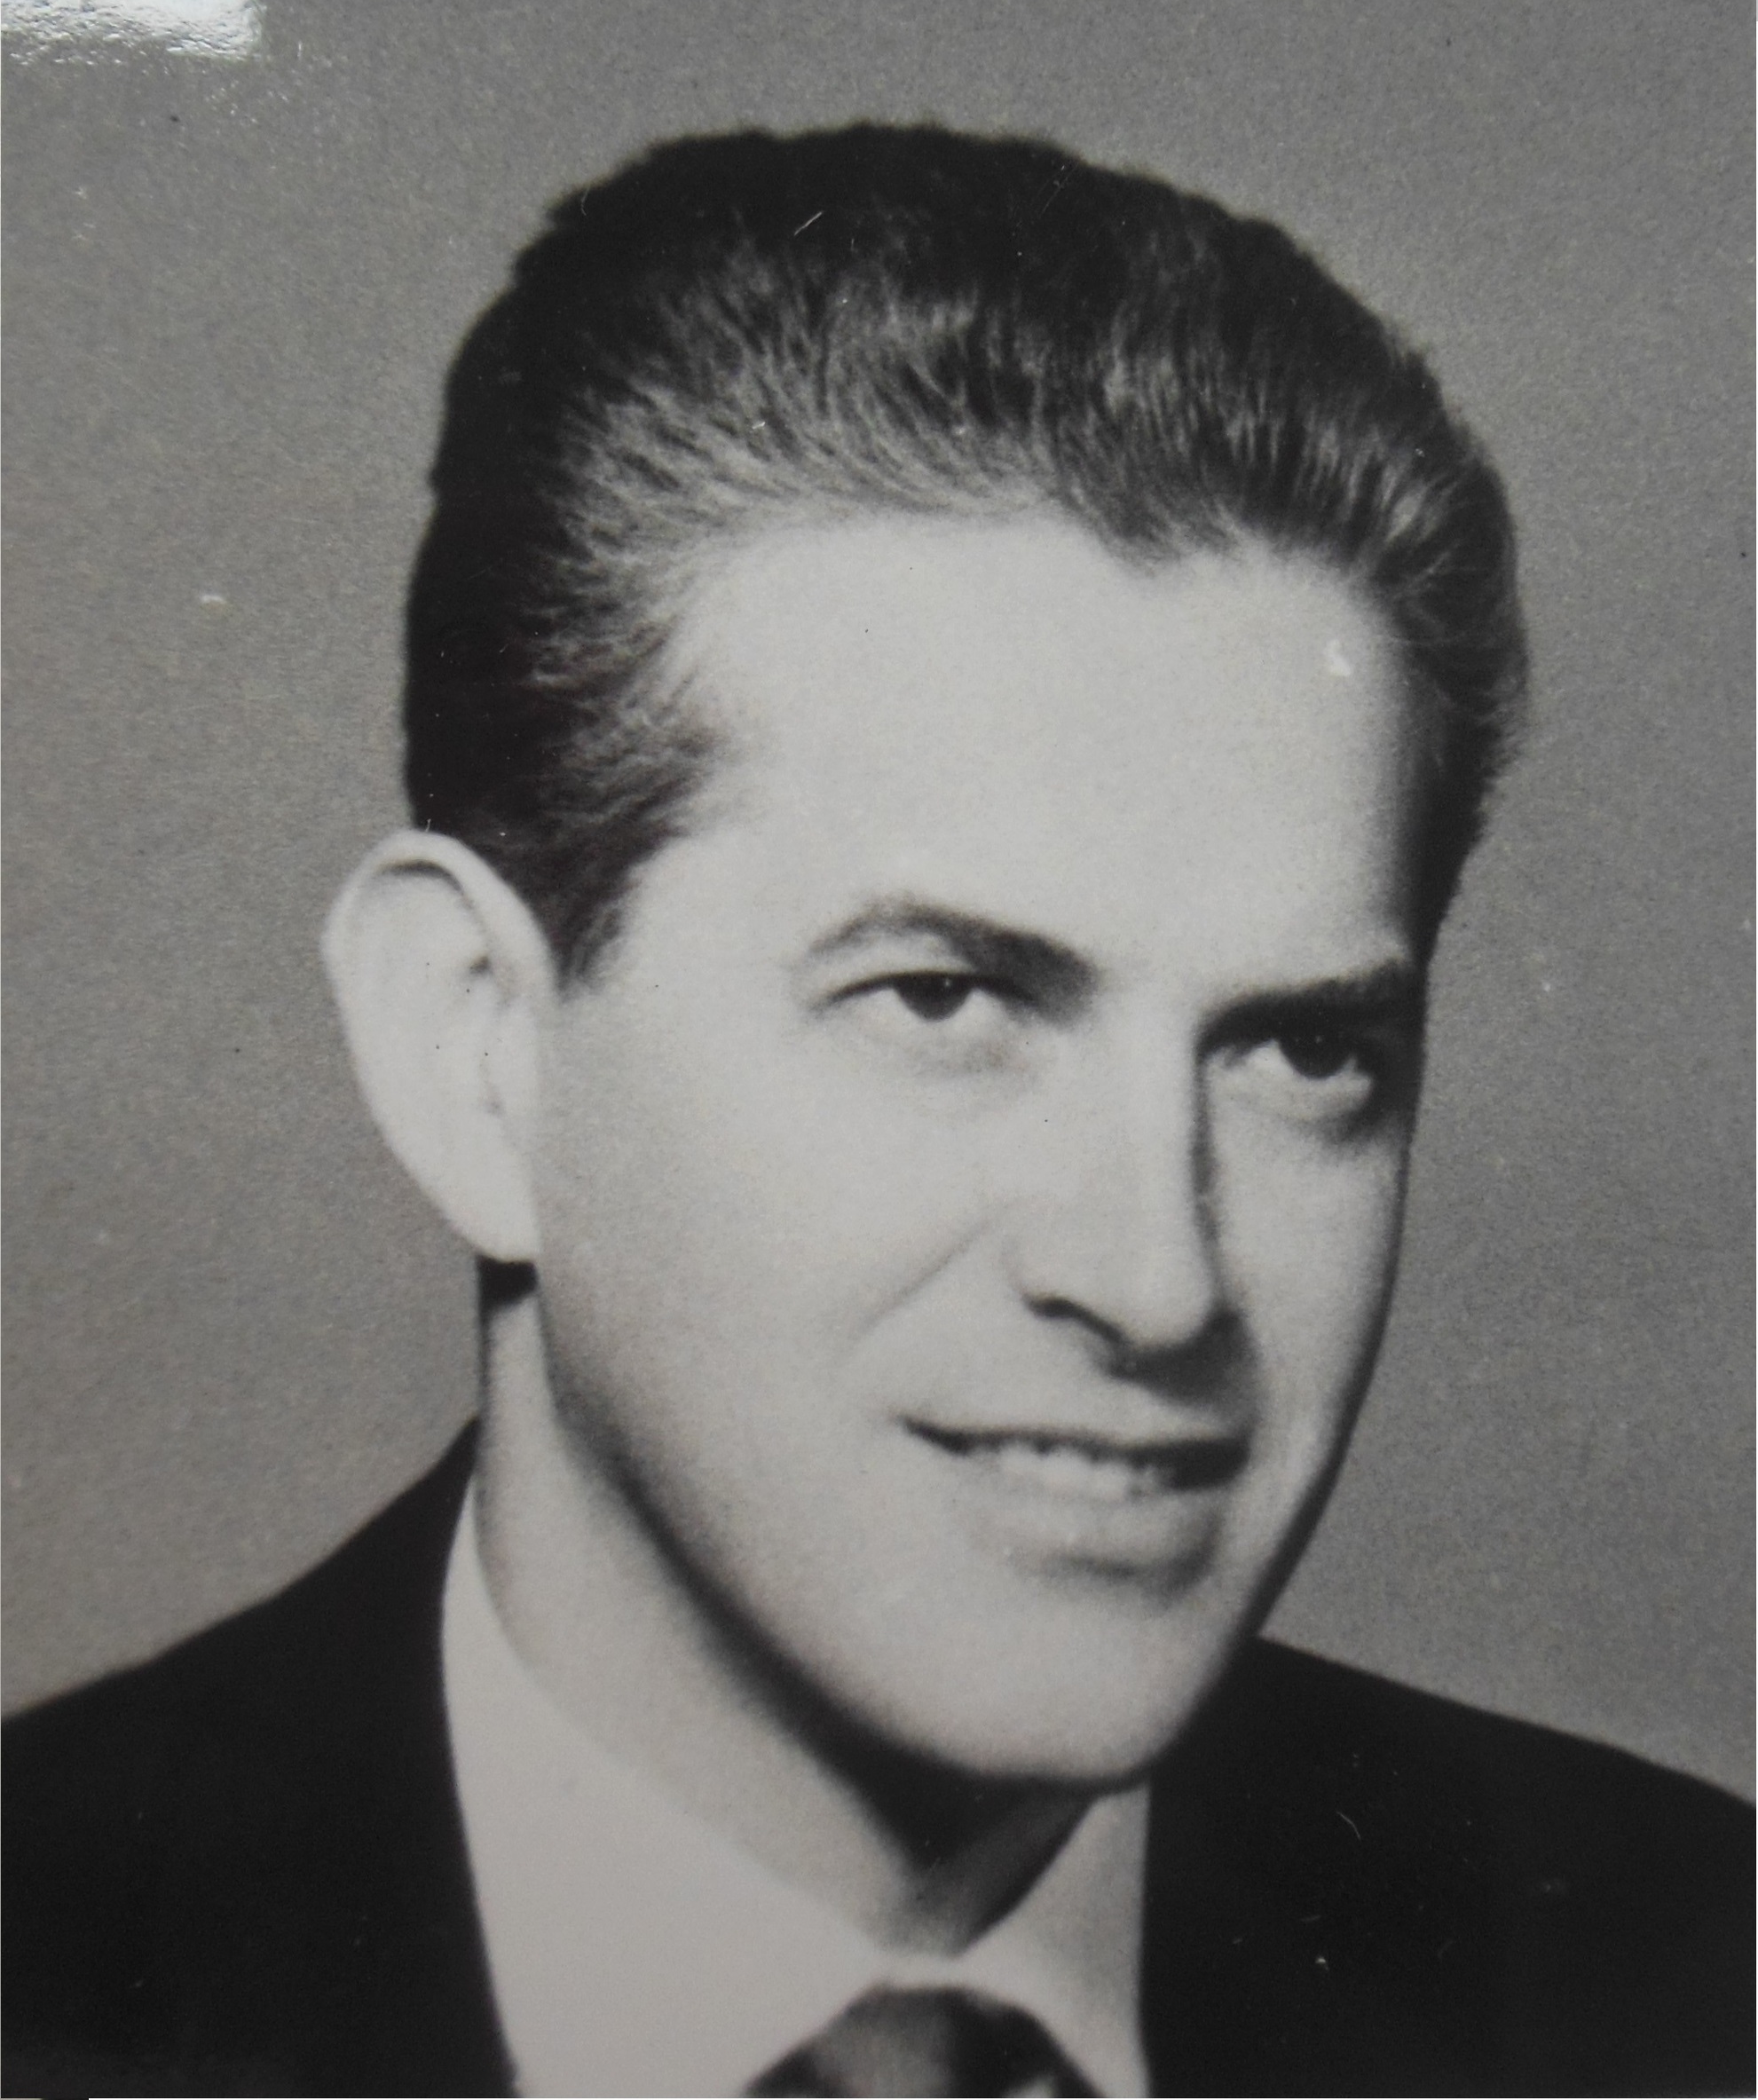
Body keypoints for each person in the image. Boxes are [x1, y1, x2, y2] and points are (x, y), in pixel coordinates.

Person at [4, 124, 1748, 2100]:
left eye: (1298, 1053)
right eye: (944, 1000)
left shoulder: (1695, 1987)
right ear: (474, 1051)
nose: (1156, 1280)